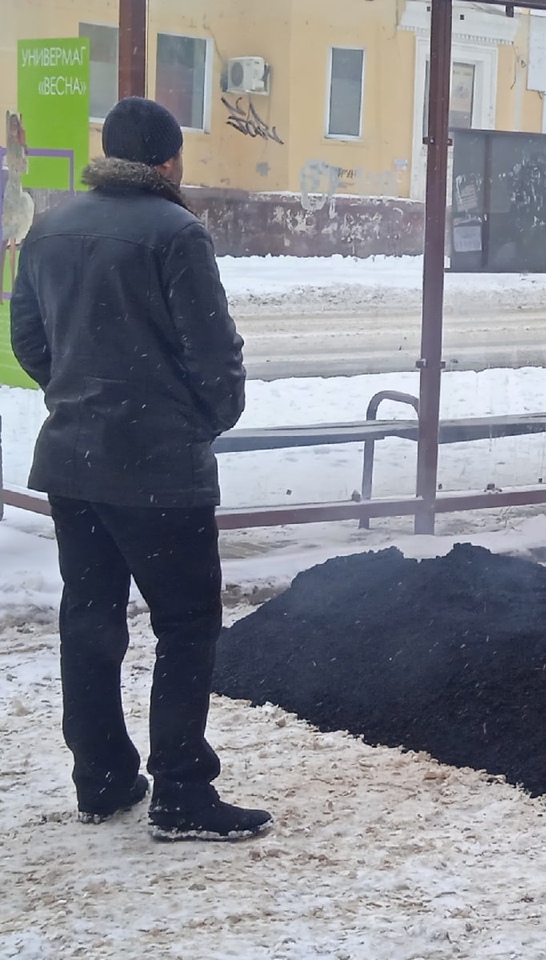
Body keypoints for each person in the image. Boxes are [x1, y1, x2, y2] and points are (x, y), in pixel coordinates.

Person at [9, 98, 272, 841]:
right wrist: (205, 420)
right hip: (158, 470)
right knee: (186, 626)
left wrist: (74, 392)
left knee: (90, 619)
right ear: (167, 160)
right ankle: (183, 793)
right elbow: (214, 354)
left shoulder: (50, 227)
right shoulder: (176, 233)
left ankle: (101, 780)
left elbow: (27, 335)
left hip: (73, 462)